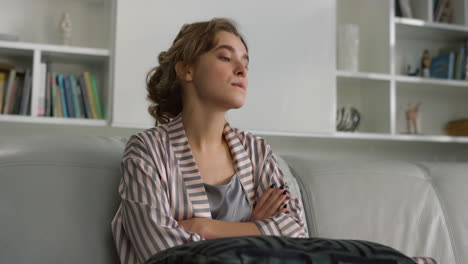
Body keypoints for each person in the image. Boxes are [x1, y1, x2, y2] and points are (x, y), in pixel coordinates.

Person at [111, 18, 306, 264]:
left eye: (245, 63)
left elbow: (297, 234)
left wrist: (205, 228)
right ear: (186, 70)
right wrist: (254, 228)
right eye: (226, 58)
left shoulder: (257, 151)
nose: (242, 70)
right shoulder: (147, 151)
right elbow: (163, 255)